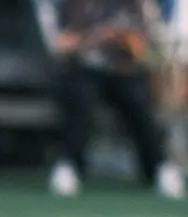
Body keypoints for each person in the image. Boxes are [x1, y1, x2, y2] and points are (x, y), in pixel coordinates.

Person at [42, 0, 184, 198]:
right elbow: (60, 45)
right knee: (81, 100)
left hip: (123, 72)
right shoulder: (65, 4)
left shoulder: (138, 4)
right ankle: (68, 165)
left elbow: (150, 47)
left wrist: (130, 43)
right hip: (80, 69)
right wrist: (98, 37)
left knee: (138, 100)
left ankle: (159, 167)